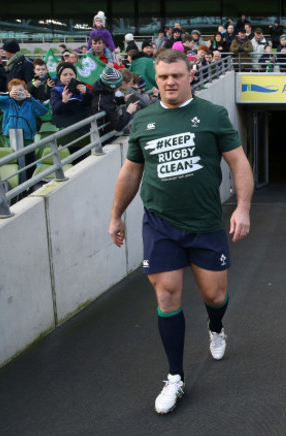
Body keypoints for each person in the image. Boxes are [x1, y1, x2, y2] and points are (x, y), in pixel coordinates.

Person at [108, 50, 253, 415]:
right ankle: (175, 377)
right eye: (163, 77)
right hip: (161, 224)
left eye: (176, 75)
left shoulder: (213, 115)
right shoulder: (144, 121)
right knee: (167, 295)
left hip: (205, 225)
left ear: (190, 75)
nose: (170, 82)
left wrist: (243, 207)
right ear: (155, 81)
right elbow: (129, 173)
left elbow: (239, 163)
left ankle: (216, 327)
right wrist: (116, 215)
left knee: (215, 296)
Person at [0, 78, 48, 177]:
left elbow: (43, 111)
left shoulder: (30, 104)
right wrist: (8, 95)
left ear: (26, 91)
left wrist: (31, 98)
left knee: (29, 162)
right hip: (11, 137)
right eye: (15, 91)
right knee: (14, 162)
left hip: (27, 138)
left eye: (21, 90)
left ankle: (30, 184)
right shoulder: (7, 103)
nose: (18, 93)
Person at [91, 66, 139, 138]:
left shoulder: (104, 90)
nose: (120, 87)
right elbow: (118, 126)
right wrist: (129, 111)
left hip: (106, 134)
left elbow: (111, 99)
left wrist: (122, 99)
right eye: (119, 85)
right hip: (104, 138)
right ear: (113, 86)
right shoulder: (104, 101)